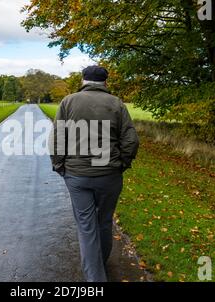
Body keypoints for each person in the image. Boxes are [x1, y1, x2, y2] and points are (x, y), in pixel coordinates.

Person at [49, 65, 140, 282]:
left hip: (77, 176)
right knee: (104, 221)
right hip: (109, 175)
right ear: (105, 82)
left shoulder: (68, 102)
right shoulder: (117, 104)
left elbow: (57, 139)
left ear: (83, 80)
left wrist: (59, 165)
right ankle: (99, 267)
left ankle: (95, 280)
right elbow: (131, 140)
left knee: (86, 226)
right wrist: (122, 164)